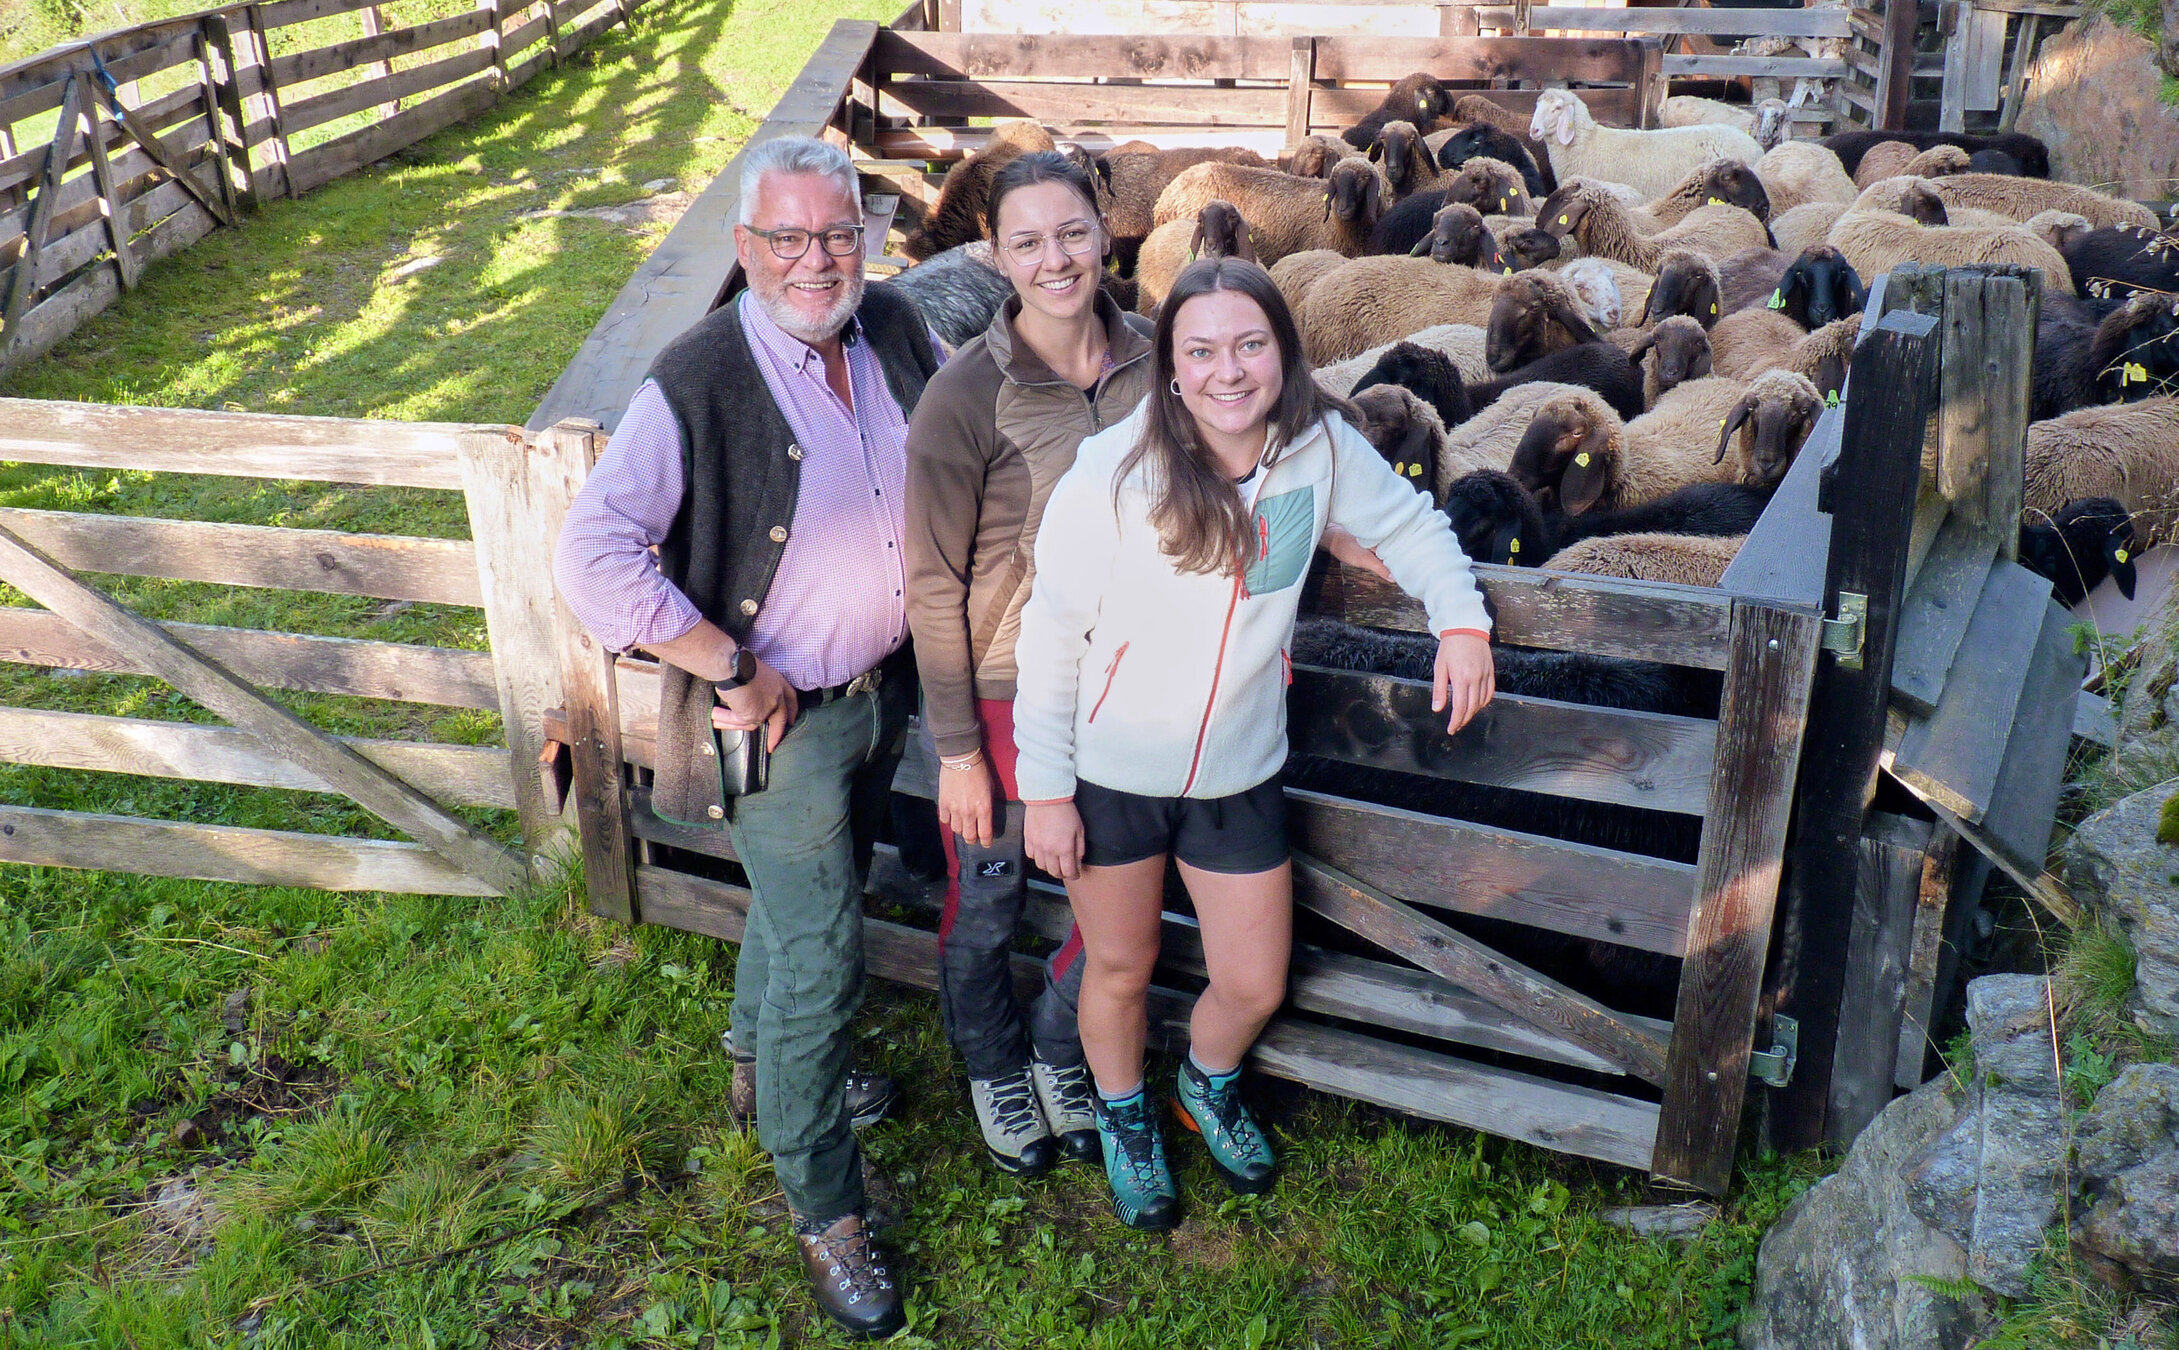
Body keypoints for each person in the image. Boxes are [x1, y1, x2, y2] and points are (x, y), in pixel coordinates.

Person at [1010, 258, 1497, 1232]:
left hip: (1239, 769)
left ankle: (1206, 1081)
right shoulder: (1112, 475)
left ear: (1282, 351)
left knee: (1253, 980)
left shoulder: (1319, 448)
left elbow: (1408, 524)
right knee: (1118, 965)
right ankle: (1124, 1118)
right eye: (1201, 351)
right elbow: (1052, 635)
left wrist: (1463, 624)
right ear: (1171, 367)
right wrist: (1048, 789)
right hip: (1113, 772)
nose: (1227, 371)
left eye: (1248, 345)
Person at [553, 134, 937, 1340]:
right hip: (783, 723)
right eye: (789, 238)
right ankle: (824, 1205)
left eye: (838, 235)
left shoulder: (895, 334)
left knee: (797, 906)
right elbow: (590, 556)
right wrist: (729, 660)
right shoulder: (699, 379)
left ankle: (752, 1067)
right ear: (745, 248)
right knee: (827, 952)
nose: (817, 261)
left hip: (882, 693)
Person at [900, 151, 1143, 1176]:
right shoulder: (964, 397)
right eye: (1029, 241)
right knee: (990, 889)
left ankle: (1057, 1042)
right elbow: (932, 582)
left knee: (1117, 887)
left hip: (1129, 684)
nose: (1057, 259)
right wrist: (957, 748)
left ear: (1104, 228)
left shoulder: (1155, 356)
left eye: (1073, 232)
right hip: (1002, 694)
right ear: (994, 253)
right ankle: (993, 1062)